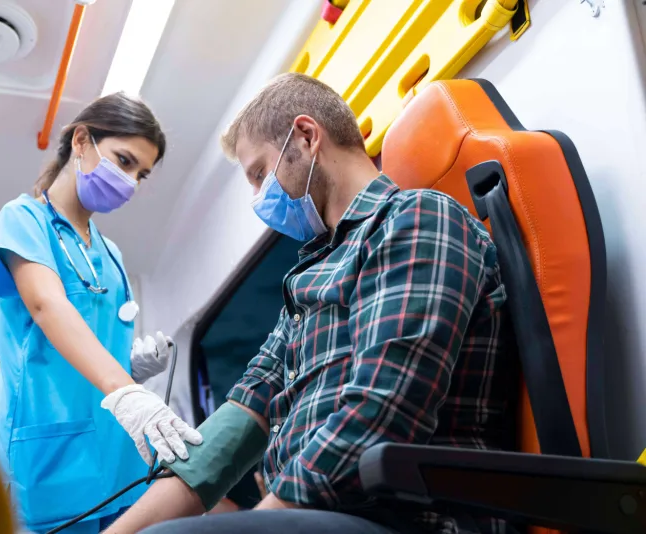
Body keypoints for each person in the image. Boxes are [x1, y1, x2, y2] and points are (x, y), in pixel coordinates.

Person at [104, 73, 518, 534]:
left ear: (305, 136)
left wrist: (259, 524)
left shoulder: (418, 219)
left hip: (417, 518)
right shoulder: (307, 280)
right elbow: (238, 421)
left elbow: (383, 411)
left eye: (260, 173)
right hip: (327, 517)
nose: (260, 197)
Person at [0, 92, 203, 534]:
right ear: (81, 140)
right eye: (123, 161)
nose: (131, 182)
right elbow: (47, 306)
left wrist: (131, 371)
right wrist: (128, 390)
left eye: (141, 174)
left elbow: (93, 347)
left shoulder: (110, 253)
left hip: (113, 459)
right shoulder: (23, 220)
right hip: (46, 455)